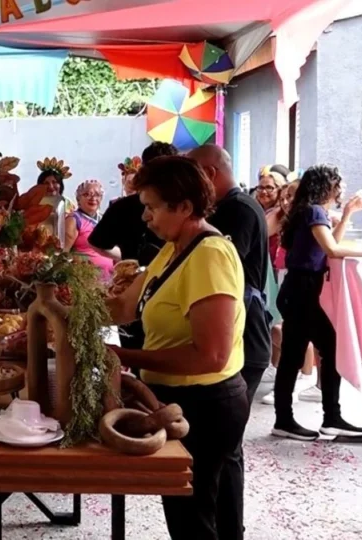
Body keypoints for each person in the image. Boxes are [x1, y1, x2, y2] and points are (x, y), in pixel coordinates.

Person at [107, 156, 249, 540]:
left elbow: (211, 355)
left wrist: (124, 358)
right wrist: (64, 312)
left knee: (196, 521)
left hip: (206, 404)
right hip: (177, 398)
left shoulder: (209, 254)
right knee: (195, 513)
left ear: (185, 207)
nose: (145, 218)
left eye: (152, 208)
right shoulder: (174, 248)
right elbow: (122, 308)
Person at [189, 145, 271, 539]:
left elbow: (219, 271)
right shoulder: (238, 206)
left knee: (226, 452)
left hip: (245, 340)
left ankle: (229, 529)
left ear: (208, 171)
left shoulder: (237, 211)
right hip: (242, 336)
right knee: (226, 452)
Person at [272, 164, 362, 441]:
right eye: (337, 183)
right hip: (302, 291)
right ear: (326, 185)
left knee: (303, 352)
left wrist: (349, 213)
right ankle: (322, 417)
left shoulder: (309, 210)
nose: (340, 188)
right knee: (321, 348)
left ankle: (311, 417)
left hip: (298, 290)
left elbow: (330, 244)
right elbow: (333, 249)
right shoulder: (314, 211)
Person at [89, 141, 177, 351]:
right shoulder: (126, 207)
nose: (147, 216)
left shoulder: (200, 244)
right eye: (147, 207)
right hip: (135, 293)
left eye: (153, 208)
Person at [261, 180, 321, 405]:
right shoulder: (283, 217)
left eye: (291, 196)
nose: (286, 201)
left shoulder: (313, 218)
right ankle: (287, 373)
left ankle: (304, 375)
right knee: (284, 327)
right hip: (281, 274)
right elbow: (263, 231)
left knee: (294, 329)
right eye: (284, 196)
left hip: (300, 277)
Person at [63, 179, 113, 281]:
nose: (93, 198)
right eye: (87, 194)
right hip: (85, 281)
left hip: (109, 280)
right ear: (78, 198)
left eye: (97, 194)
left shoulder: (104, 219)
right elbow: (63, 254)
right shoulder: (74, 219)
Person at [36, 159, 76, 250]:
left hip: (63, 248)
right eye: (46, 183)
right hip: (40, 247)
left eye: (54, 182)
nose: (50, 186)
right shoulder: (36, 203)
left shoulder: (67, 203)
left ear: (60, 184)